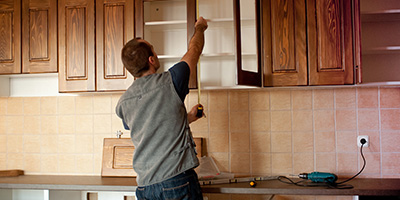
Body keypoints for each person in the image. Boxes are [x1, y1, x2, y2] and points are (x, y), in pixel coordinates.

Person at [115, 17, 208, 200]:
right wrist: (200, 28)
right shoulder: (171, 81)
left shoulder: (124, 103)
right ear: (151, 59)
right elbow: (194, 50)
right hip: (177, 182)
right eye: (154, 50)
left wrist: (186, 117)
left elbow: (150, 125)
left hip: (145, 189)